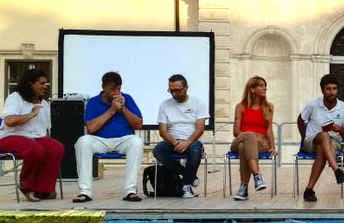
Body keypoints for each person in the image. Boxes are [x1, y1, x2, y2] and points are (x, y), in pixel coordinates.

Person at [74, 71, 144, 202]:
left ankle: (130, 191)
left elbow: (138, 124)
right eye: (112, 89)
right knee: (83, 142)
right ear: (103, 87)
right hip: (100, 140)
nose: (116, 92)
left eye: (119, 88)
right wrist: (112, 110)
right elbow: (91, 128)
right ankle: (85, 191)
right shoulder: (93, 102)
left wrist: (123, 109)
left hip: (123, 139)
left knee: (137, 142)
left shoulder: (127, 99)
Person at [0, 69, 64, 201]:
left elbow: (45, 132)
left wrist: (49, 145)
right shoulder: (15, 98)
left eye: (46, 83)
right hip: (10, 137)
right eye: (41, 83)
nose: (45, 86)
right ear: (30, 84)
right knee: (35, 149)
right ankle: (26, 186)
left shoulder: (44, 104)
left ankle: (44, 189)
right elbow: (9, 121)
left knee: (56, 148)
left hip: (36, 138)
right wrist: (31, 114)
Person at [297, 74, 344, 202]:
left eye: (334, 89)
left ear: (337, 90)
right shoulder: (313, 105)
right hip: (312, 140)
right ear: (322, 90)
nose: (331, 92)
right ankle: (336, 169)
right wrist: (303, 137)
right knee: (323, 135)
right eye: (328, 89)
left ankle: (309, 190)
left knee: (322, 150)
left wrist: (339, 129)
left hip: (333, 142)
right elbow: (300, 120)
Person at [153, 74, 209, 199]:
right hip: (172, 141)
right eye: (171, 90)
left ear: (186, 88)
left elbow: (200, 129)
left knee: (195, 150)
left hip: (192, 141)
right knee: (158, 150)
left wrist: (187, 142)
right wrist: (175, 143)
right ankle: (189, 176)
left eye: (177, 90)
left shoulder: (198, 103)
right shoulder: (164, 105)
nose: (174, 94)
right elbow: (162, 131)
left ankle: (186, 185)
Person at [230, 76, 276, 201]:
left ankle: (243, 188)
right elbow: (236, 131)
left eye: (265, 85)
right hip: (241, 138)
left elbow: (269, 130)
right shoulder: (240, 107)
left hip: (261, 144)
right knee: (247, 138)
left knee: (243, 147)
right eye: (261, 85)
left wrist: (272, 146)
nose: (265, 88)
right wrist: (253, 135)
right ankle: (257, 175)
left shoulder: (269, 107)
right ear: (252, 89)